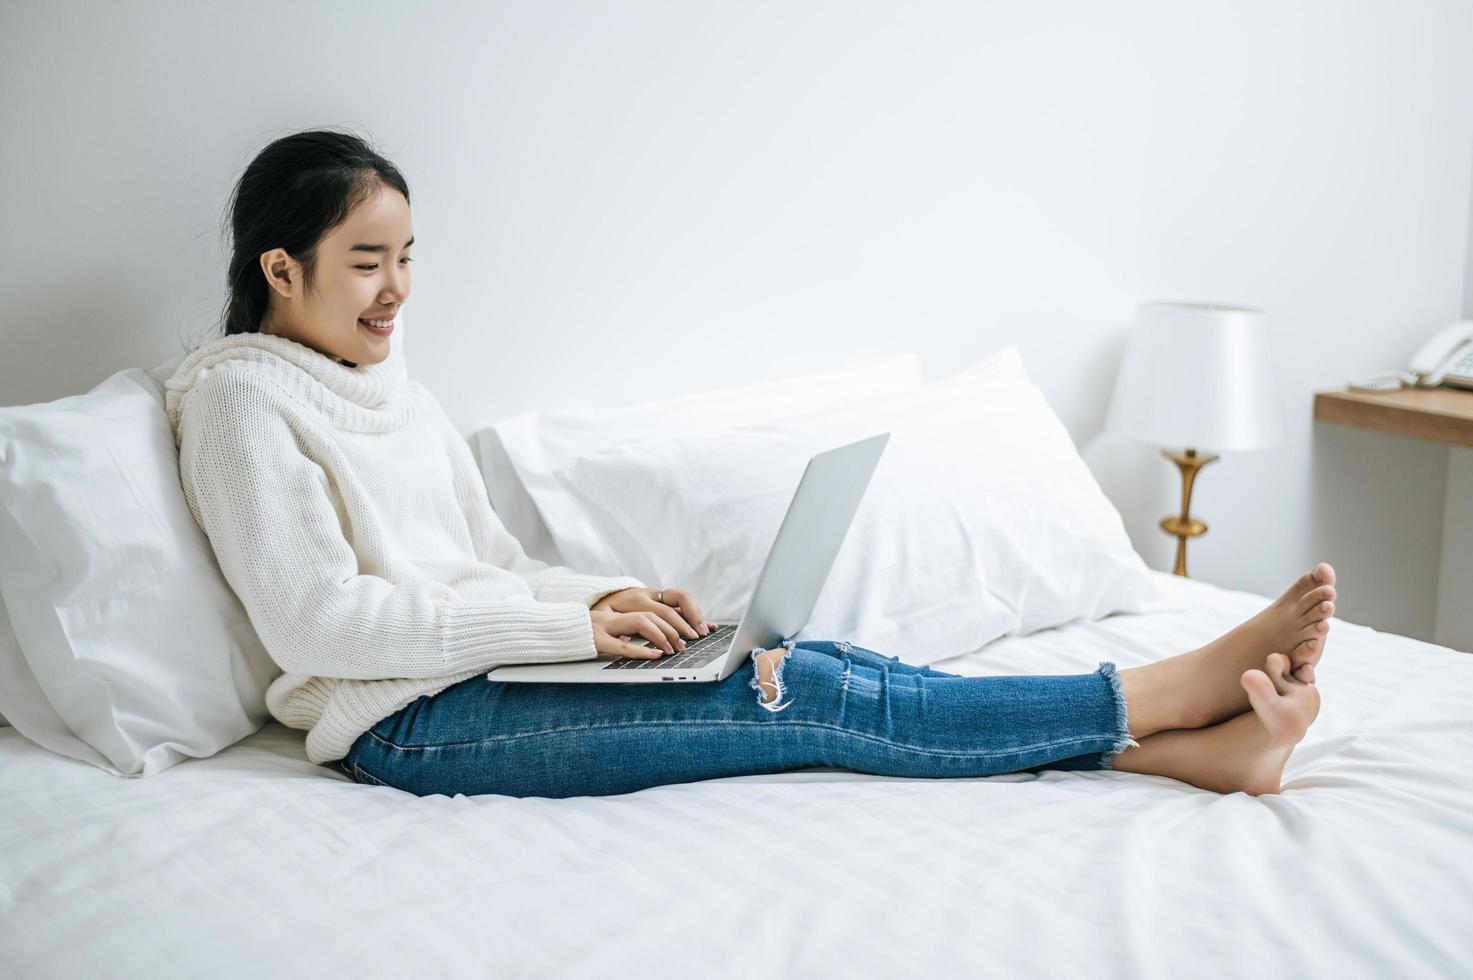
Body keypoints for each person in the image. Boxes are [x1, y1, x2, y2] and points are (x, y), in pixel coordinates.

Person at [167, 128, 1336, 801]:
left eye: (409, 256)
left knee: (793, 658)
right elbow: (321, 622)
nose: (399, 290)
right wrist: (567, 634)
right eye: (368, 261)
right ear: (280, 268)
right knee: (807, 693)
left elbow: (490, 563)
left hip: (482, 677)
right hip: (406, 727)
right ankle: (1155, 695)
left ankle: (1190, 756)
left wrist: (599, 599)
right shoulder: (237, 402)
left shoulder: (398, 391)